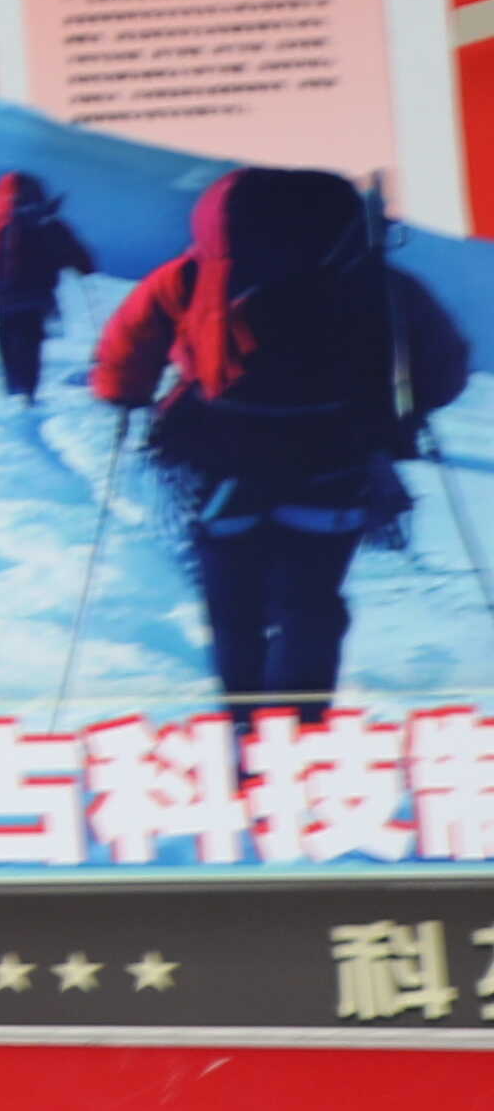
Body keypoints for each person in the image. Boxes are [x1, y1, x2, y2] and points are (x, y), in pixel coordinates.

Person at [94, 166, 470, 716]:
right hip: (335, 458)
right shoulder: (379, 281)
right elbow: (444, 369)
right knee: (310, 605)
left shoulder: (193, 273)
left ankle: (244, 722)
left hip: (216, 456)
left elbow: (129, 342)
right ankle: (297, 728)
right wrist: (399, 414)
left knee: (233, 607)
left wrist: (124, 393)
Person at [0, 170, 92, 406]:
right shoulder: (47, 222)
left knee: (6, 339)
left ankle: (13, 391)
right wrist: (83, 268)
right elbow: (78, 256)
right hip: (37, 296)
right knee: (30, 341)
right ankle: (27, 391)